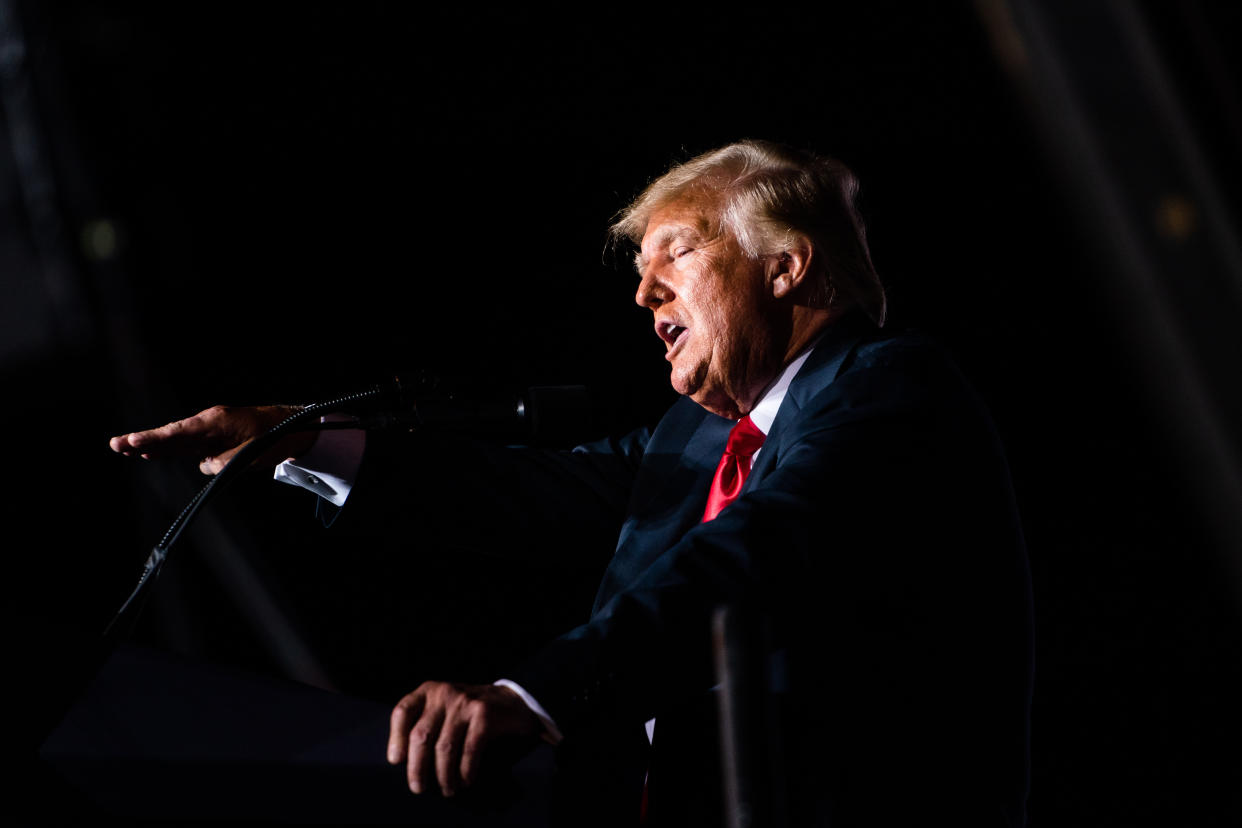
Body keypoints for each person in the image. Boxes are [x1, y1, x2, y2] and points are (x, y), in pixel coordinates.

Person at [111, 140, 1033, 826]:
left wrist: (532, 695)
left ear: (785, 265)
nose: (644, 297)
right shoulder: (697, 436)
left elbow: (744, 560)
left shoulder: (891, 389)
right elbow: (519, 495)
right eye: (641, 274)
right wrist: (296, 441)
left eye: (675, 254)